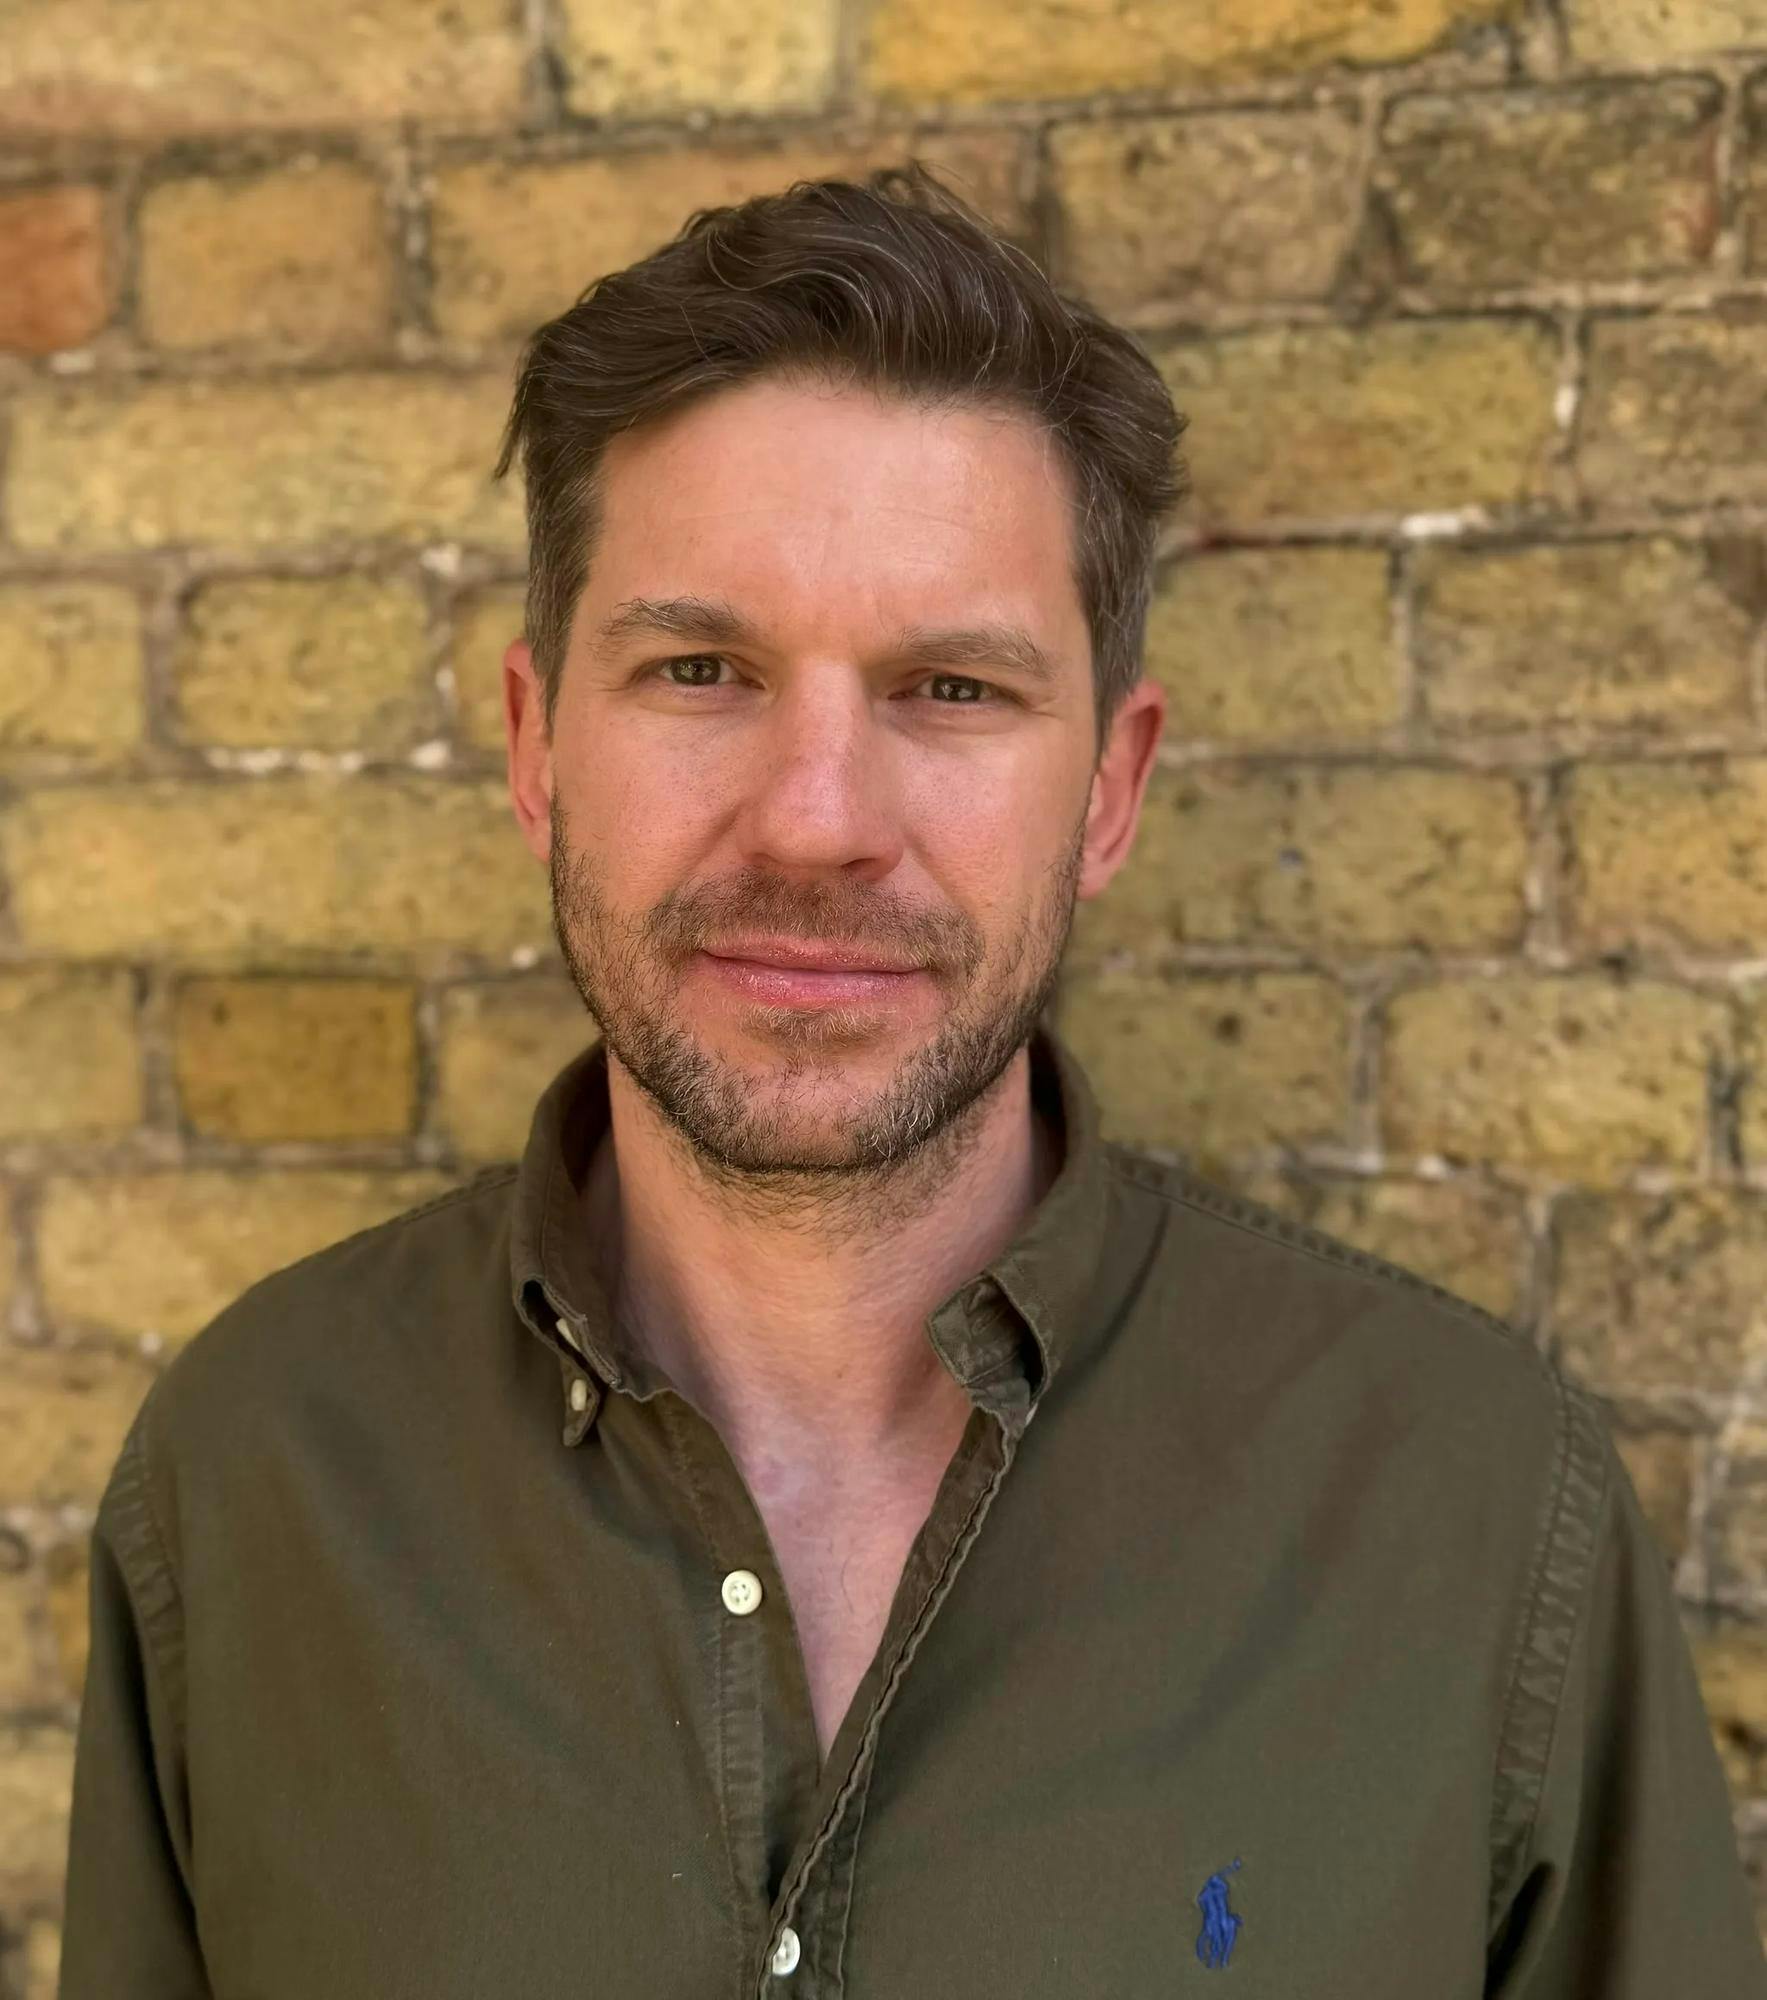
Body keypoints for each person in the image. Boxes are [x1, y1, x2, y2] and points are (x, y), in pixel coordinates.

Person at [58, 163, 1764, 1997]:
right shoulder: (252, 1485)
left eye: (950, 689)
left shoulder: (1475, 1515)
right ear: (539, 742)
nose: (817, 818)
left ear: (1109, 787)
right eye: (700, 667)